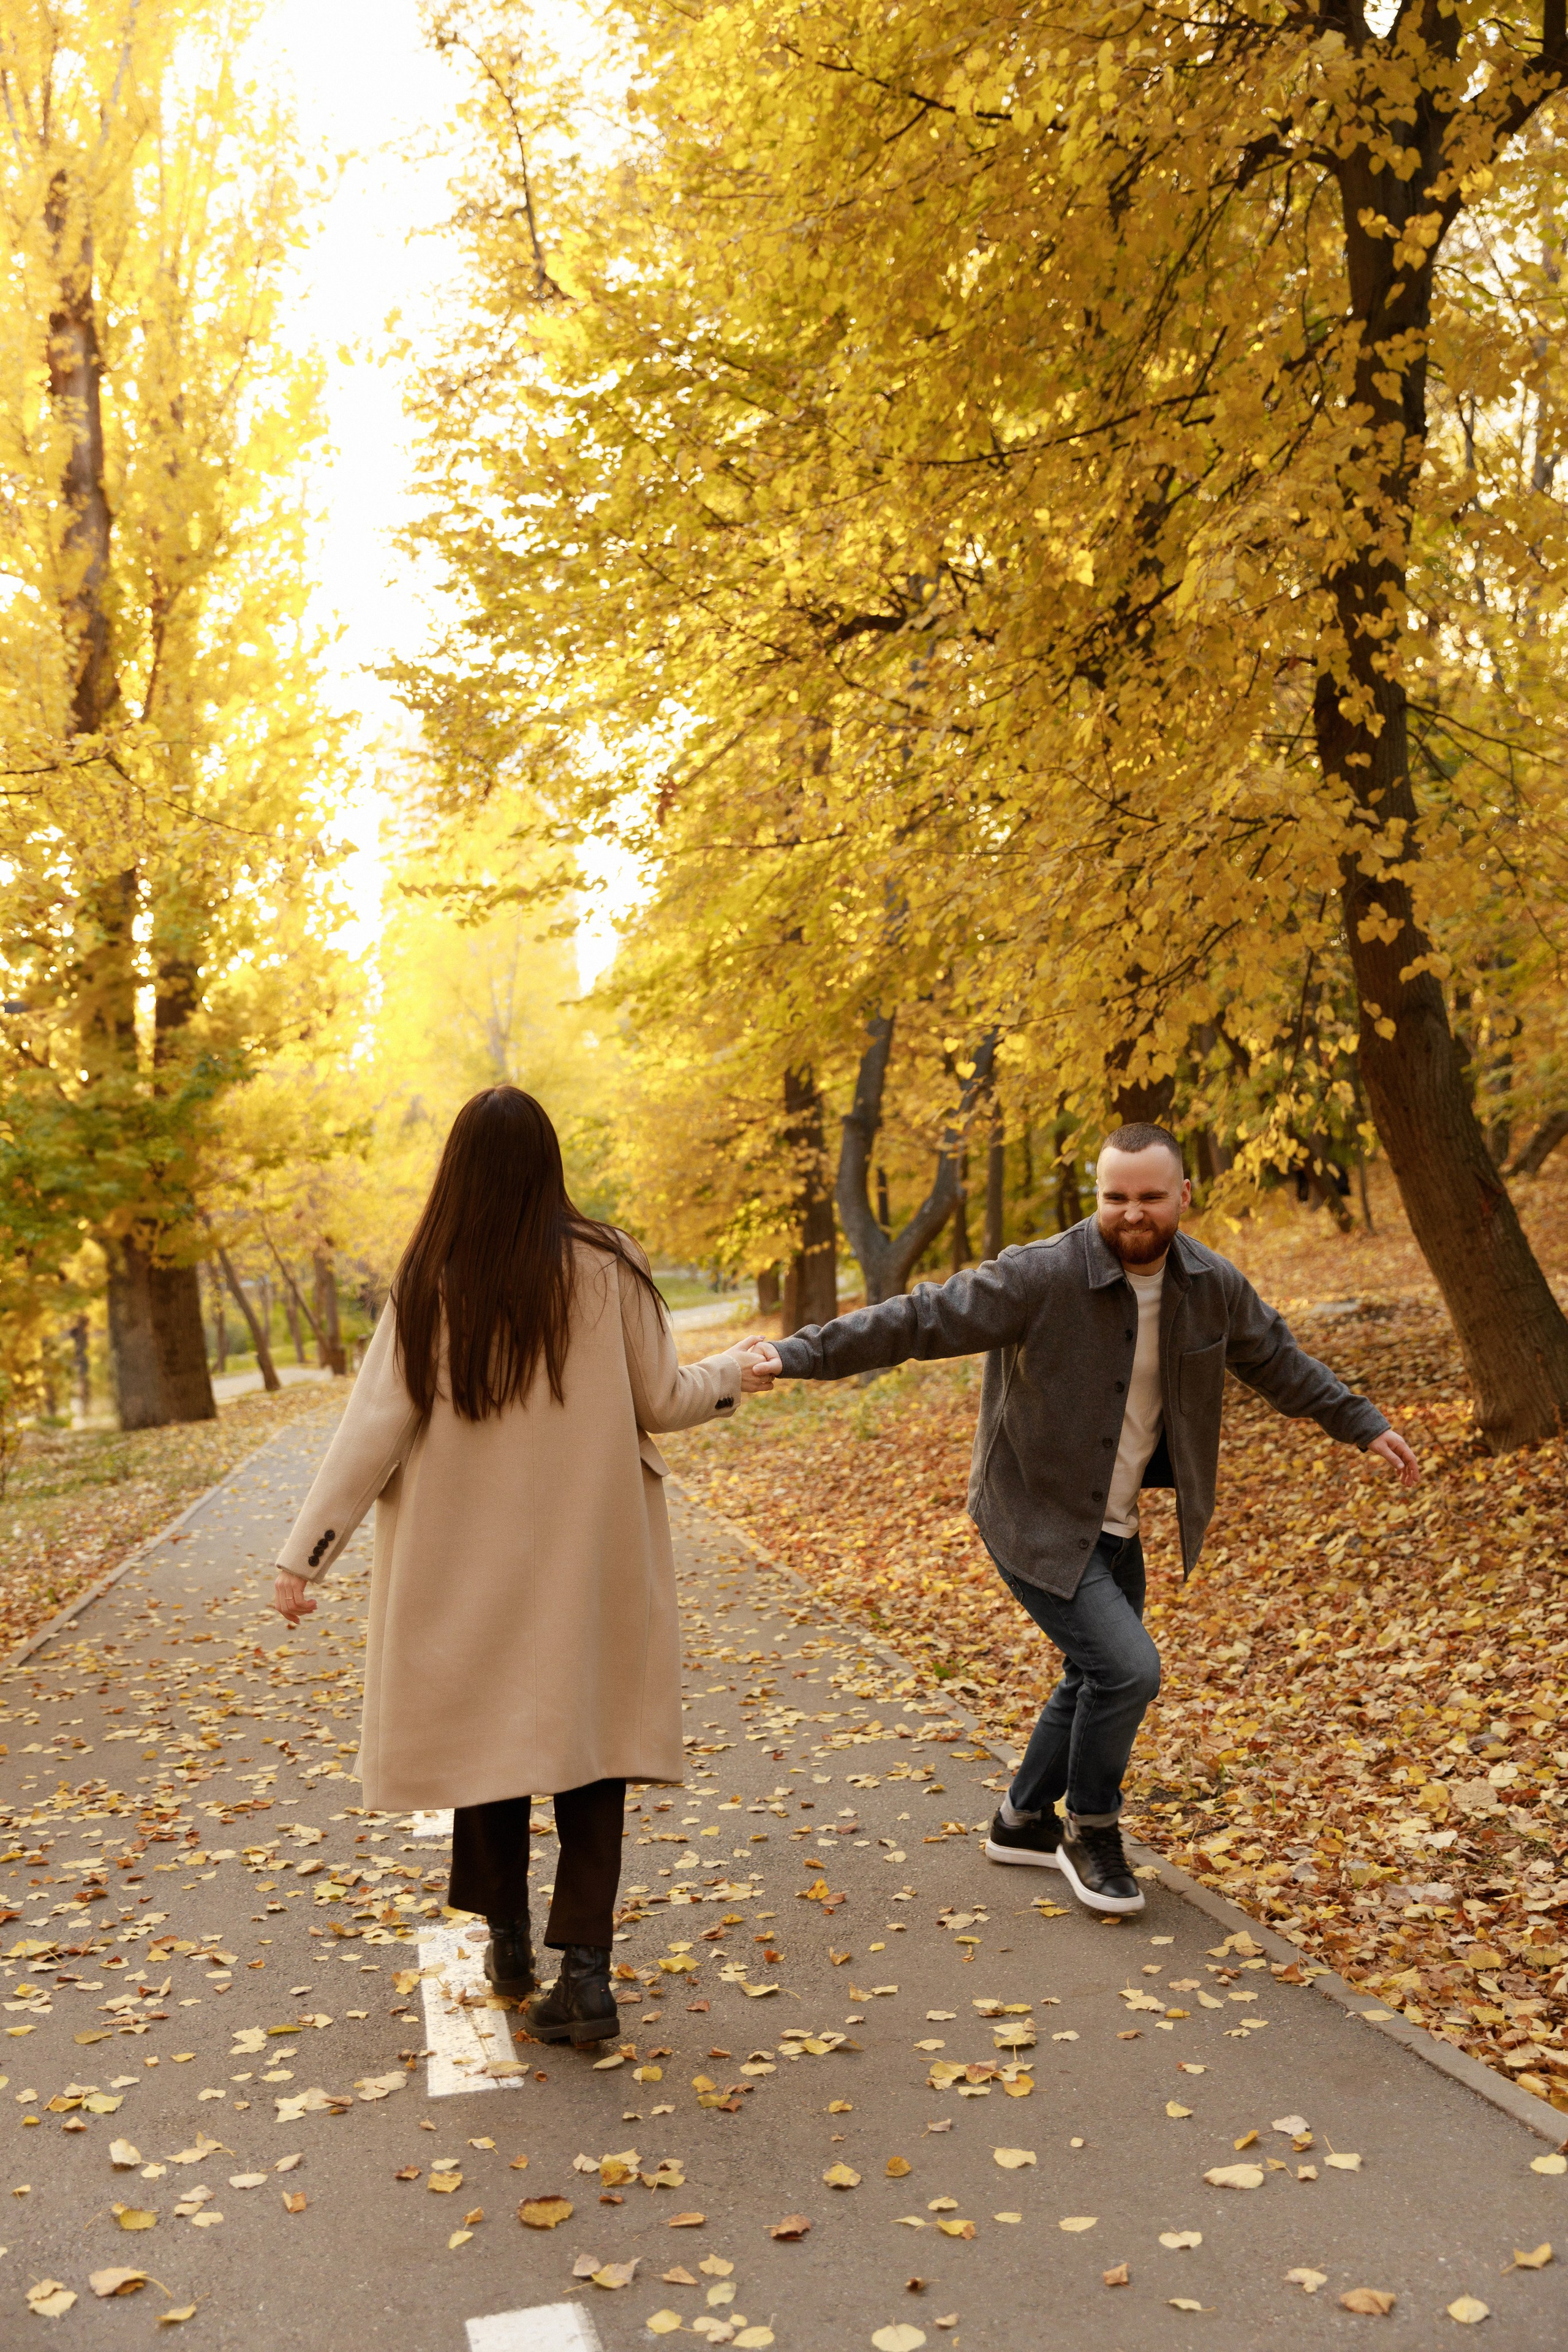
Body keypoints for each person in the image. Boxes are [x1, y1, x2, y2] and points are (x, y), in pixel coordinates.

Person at [750, 1122, 1417, 1918]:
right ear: (1099, 1196)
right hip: (1033, 1513)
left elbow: (1276, 1359)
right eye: (1115, 1198)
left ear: (1183, 1196)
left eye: (1149, 1197)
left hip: (1118, 1521)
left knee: (1093, 1672)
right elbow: (921, 1318)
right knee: (1128, 1670)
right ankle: (1089, 1829)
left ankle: (1022, 1819)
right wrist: (798, 1354)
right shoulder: (1041, 1275)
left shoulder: (1211, 1285)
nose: (1132, 1213)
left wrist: (1362, 1423)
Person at [271, 1086, 772, 2043]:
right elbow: (664, 1397)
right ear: (549, 1163)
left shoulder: (433, 1279)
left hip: (466, 1568)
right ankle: (586, 1974)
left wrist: (307, 1556)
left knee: (486, 1740)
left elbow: (373, 1429)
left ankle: (506, 1936)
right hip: (596, 1563)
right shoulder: (608, 1264)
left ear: (456, 1167)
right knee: (596, 1753)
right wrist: (733, 1376)